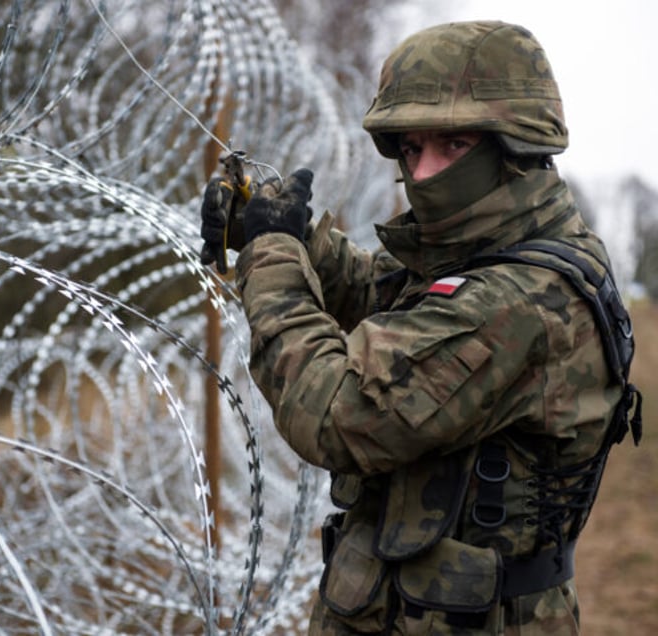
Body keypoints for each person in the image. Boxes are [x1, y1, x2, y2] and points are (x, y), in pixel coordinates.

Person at [200, 20, 640, 635]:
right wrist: (289, 233)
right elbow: (383, 294)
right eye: (411, 150)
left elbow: (334, 413)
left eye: (452, 146)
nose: (425, 172)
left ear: (516, 148)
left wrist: (271, 255)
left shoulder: (518, 300)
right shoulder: (494, 251)